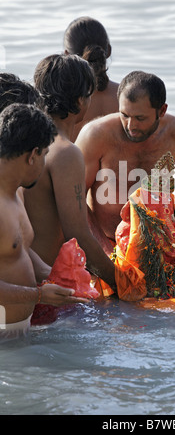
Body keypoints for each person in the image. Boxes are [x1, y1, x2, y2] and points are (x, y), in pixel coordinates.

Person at [75, 70, 175, 255]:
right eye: (124, 115)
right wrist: (105, 249)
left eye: (140, 118)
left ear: (162, 110)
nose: (131, 126)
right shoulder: (95, 135)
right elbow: (75, 199)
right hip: (107, 244)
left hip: (160, 244)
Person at [23, 54, 116, 293]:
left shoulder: (24, 142)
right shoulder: (65, 152)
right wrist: (122, 282)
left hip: (24, 275)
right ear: (80, 102)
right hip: (50, 286)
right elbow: (78, 234)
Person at [0, 103, 89, 340]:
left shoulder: (16, 191)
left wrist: (55, 275)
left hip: (20, 329)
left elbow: (19, 250)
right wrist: (38, 296)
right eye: (44, 156)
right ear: (33, 156)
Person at [63, 16, 119, 141]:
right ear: (108, 50)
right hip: (122, 161)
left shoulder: (61, 102)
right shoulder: (126, 96)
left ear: (67, 55)